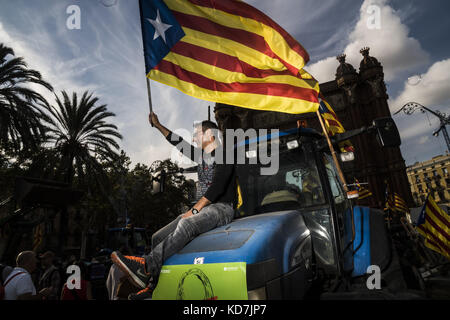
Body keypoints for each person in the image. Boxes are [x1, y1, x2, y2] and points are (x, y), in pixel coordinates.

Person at [110, 112, 236, 300]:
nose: (194, 137)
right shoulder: (201, 156)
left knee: (187, 223)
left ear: (210, 134)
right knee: (157, 237)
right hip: (203, 209)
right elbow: (178, 142)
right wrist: (158, 124)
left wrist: (193, 211)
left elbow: (217, 188)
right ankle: (150, 286)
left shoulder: (225, 154)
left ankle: (145, 267)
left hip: (222, 208)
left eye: (198, 134)